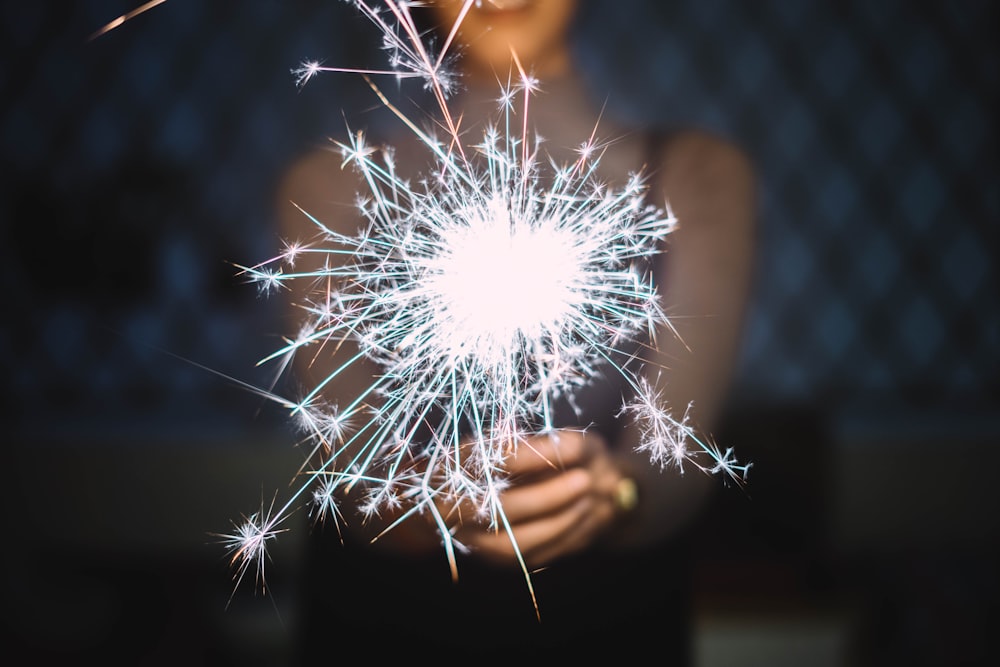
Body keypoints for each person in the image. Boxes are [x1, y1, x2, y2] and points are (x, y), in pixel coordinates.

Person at [278, 0, 755, 661]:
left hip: (606, 631)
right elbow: (354, 474)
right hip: (386, 630)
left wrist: (611, 492)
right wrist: (419, 506)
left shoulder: (699, 175)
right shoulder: (329, 186)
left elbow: (678, 464)